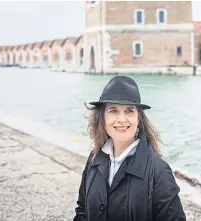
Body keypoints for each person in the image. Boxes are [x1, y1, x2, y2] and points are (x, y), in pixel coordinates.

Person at [73, 76, 186, 221]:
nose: (121, 119)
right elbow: (82, 210)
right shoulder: (94, 159)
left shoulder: (158, 171)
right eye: (113, 110)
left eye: (129, 111)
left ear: (138, 118)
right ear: (102, 118)